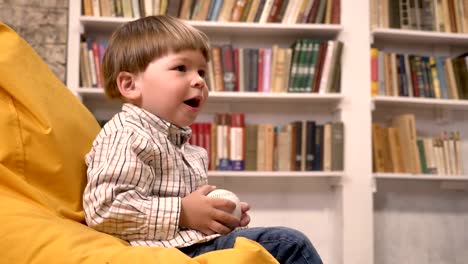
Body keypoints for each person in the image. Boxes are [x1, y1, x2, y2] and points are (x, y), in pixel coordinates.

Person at [83, 15, 323, 264]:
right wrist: (183, 213)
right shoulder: (127, 134)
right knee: (288, 245)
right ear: (130, 85)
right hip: (166, 254)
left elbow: (192, 216)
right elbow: (104, 210)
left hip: (191, 244)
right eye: (181, 68)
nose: (199, 80)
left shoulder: (182, 145)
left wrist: (218, 218)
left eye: (201, 71)